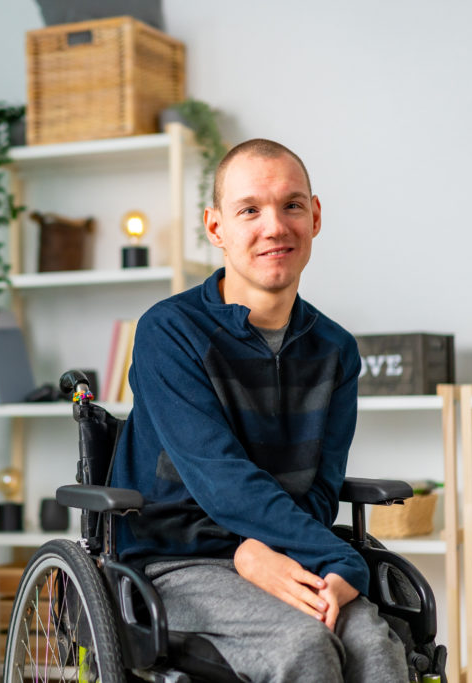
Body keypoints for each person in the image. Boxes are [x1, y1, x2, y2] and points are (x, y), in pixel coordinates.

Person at [109, 138, 408, 682]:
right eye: (250, 209)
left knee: (374, 645)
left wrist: (286, 555)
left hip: (288, 551)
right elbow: (221, 479)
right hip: (177, 563)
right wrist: (340, 561)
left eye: (291, 205)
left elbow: (321, 487)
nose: (275, 226)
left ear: (314, 217)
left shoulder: (335, 350)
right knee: (303, 647)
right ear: (216, 227)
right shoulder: (169, 332)